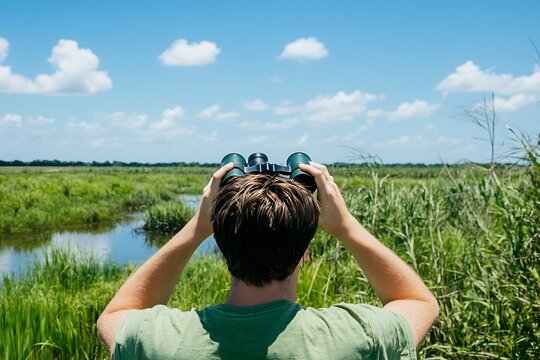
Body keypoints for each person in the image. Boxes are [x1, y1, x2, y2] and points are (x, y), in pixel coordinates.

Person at [97, 162, 439, 359]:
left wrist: (195, 229)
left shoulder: (160, 340)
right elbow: (417, 302)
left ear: (221, 248)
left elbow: (114, 316)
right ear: (304, 254)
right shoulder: (356, 337)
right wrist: (346, 226)